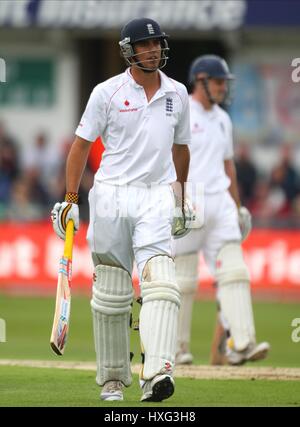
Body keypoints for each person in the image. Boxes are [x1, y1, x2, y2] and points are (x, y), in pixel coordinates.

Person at [51, 18, 191, 402]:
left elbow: (181, 148)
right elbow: (80, 146)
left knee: (161, 281)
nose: (153, 50)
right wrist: (70, 199)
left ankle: (158, 371)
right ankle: (113, 379)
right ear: (129, 50)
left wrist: (181, 196)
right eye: (145, 45)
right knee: (112, 291)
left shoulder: (178, 94)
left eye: (157, 44)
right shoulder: (106, 92)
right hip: (111, 195)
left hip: (155, 196)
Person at [174, 55, 270, 366]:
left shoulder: (223, 119)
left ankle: (240, 343)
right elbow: (167, 157)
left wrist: (238, 206)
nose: (222, 89)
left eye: (223, 83)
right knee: (183, 279)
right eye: (217, 82)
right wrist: (175, 199)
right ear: (200, 80)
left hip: (220, 202)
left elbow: (228, 166)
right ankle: (175, 348)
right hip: (190, 199)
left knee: (234, 272)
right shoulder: (181, 109)